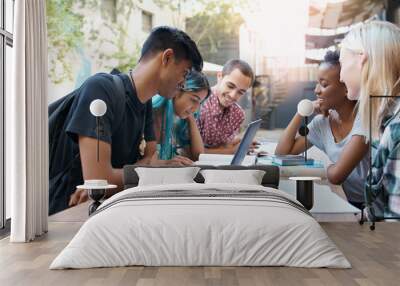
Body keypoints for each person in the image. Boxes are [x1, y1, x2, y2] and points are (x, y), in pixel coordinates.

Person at [49, 26, 203, 214]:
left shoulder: (144, 104)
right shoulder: (101, 90)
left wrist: (151, 167)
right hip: (66, 213)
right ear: (167, 58)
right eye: (185, 73)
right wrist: (151, 168)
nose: (184, 84)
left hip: (105, 210)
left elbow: (151, 158)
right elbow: (99, 181)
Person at [275, 50, 369, 208]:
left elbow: (337, 176)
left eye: (324, 84)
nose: (316, 90)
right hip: (354, 203)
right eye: (317, 83)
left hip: (382, 206)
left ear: (347, 87)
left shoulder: (365, 118)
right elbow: (282, 153)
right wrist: (301, 112)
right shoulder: (322, 123)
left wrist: (321, 167)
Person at [339, 21, 400, 218]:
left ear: (361, 59)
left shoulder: (396, 131)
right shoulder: (383, 123)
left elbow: (394, 232)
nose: (340, 76)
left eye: (341, 63)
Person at [152, 70, 211, 164]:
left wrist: (191, 118)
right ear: (177, 91)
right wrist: (166, 164)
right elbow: (146, 163)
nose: (196, 108)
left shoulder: (178, 119)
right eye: (194, 100)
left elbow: (199, 155)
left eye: (200, 103)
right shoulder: (155, 114)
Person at [197, 59, 254, 154]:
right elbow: (191, 152)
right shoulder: (198, 105)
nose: (233, 95)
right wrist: (232, 151)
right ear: (219, 76)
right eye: (230, 86)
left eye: (240, 92)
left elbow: (223, 145)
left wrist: (240, 142)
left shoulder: (238, 114)